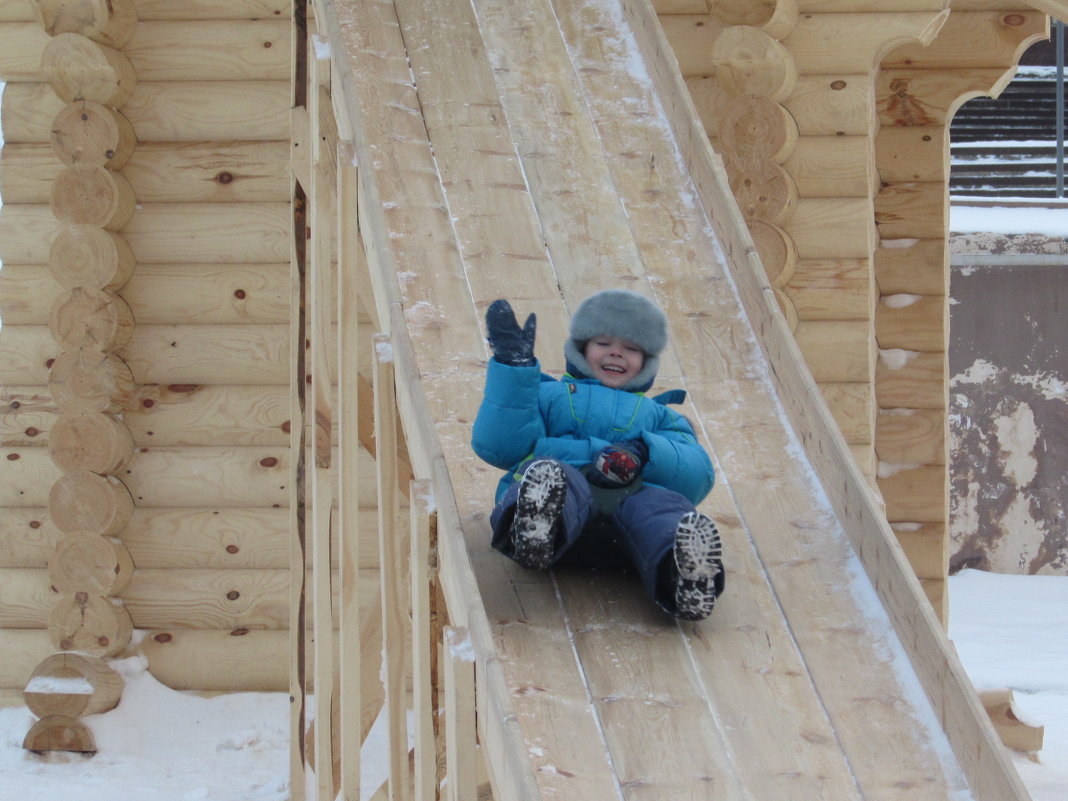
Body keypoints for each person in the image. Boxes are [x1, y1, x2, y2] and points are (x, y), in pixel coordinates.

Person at [471, 289, 725, 620]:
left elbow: (695, 476)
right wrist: (513, 372)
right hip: (563, 515)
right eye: (604, 343)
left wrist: (647, 452)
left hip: (629, 531)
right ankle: (534, 526)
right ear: (582, 348)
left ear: (646, 360)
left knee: (664, 507)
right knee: (555, 476)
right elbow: (500, 444)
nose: (617, 354)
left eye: (631, 348)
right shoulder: (547, 394)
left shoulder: (661, 416)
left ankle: (682, 572)